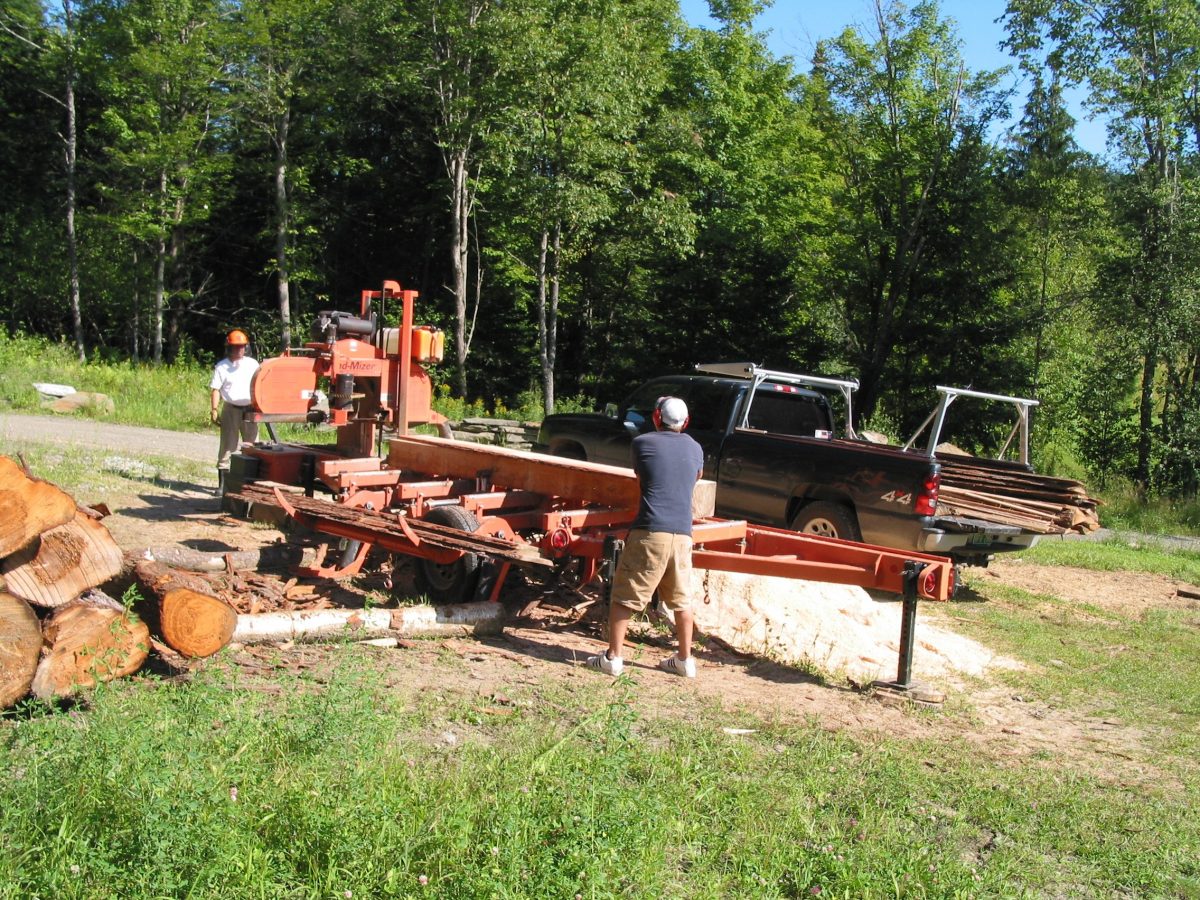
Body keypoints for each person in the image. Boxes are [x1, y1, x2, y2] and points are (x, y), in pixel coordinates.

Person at [587, 395, 705, 678]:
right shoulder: (696, 448)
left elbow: (643, 477)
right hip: (683, 534)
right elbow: (696, 476)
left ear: (655, 417)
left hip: (651, 530)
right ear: (686, 422)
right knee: (681, 600)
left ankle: (613, 658)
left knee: (625, 596)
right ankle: (684, 661)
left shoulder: (642, 443)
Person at [210, 329, 259, 492]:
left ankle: (250, 484)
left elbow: (260, 385)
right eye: (236, 346)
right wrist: (214, 409)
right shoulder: (222, 367)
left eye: (242, 346)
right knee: (227, 445)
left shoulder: (253, 365)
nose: (240, 349)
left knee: (252, 446)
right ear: (229, 347)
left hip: (251, 409)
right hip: (231, 409)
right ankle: (223, 485)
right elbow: (215, 389)